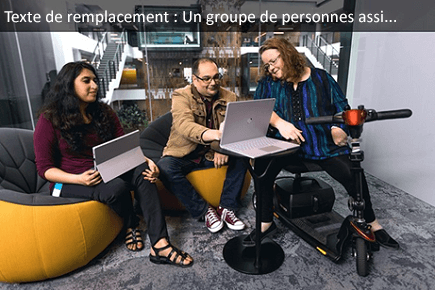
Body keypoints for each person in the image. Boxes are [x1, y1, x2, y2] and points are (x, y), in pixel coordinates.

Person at [242, 37, 399, 249]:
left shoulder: (322, 78)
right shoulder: (269, 84)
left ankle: (372, 223)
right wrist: (280, 123)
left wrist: (338, 128)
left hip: (322, 146)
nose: (270, 68)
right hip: (285, 145)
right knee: (261, 167)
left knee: (354, 173)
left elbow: (342, 107)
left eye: (273, 61)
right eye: (266, 65)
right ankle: (265, 223)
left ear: (287, 54)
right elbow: (259, 109)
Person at [34, 61, 193, 267]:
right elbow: (44, 168)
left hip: (105, 170)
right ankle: (131, 224)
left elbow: (126, 147)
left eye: (95, 80)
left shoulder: (102, 112)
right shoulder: (49, 119)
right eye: (86, 81)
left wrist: (148, 161)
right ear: (68, 85)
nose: (94, 86)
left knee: (142, 172)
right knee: (117, 188)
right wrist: (79, 179)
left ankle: (160, 244)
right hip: (68, 180)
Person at [157, 58, 247, 233]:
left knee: (243, 155)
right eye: (206, 78)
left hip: (212, 154)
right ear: (194, 79)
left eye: (216, 77)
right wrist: (217, 138)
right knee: (165, 168)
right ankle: (204, 211)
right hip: (185, 153)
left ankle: (227, 207)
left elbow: (235, 126)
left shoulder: (230, 97)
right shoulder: (180, 95)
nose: (213, 83)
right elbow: (184, 125)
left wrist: (221, 147)